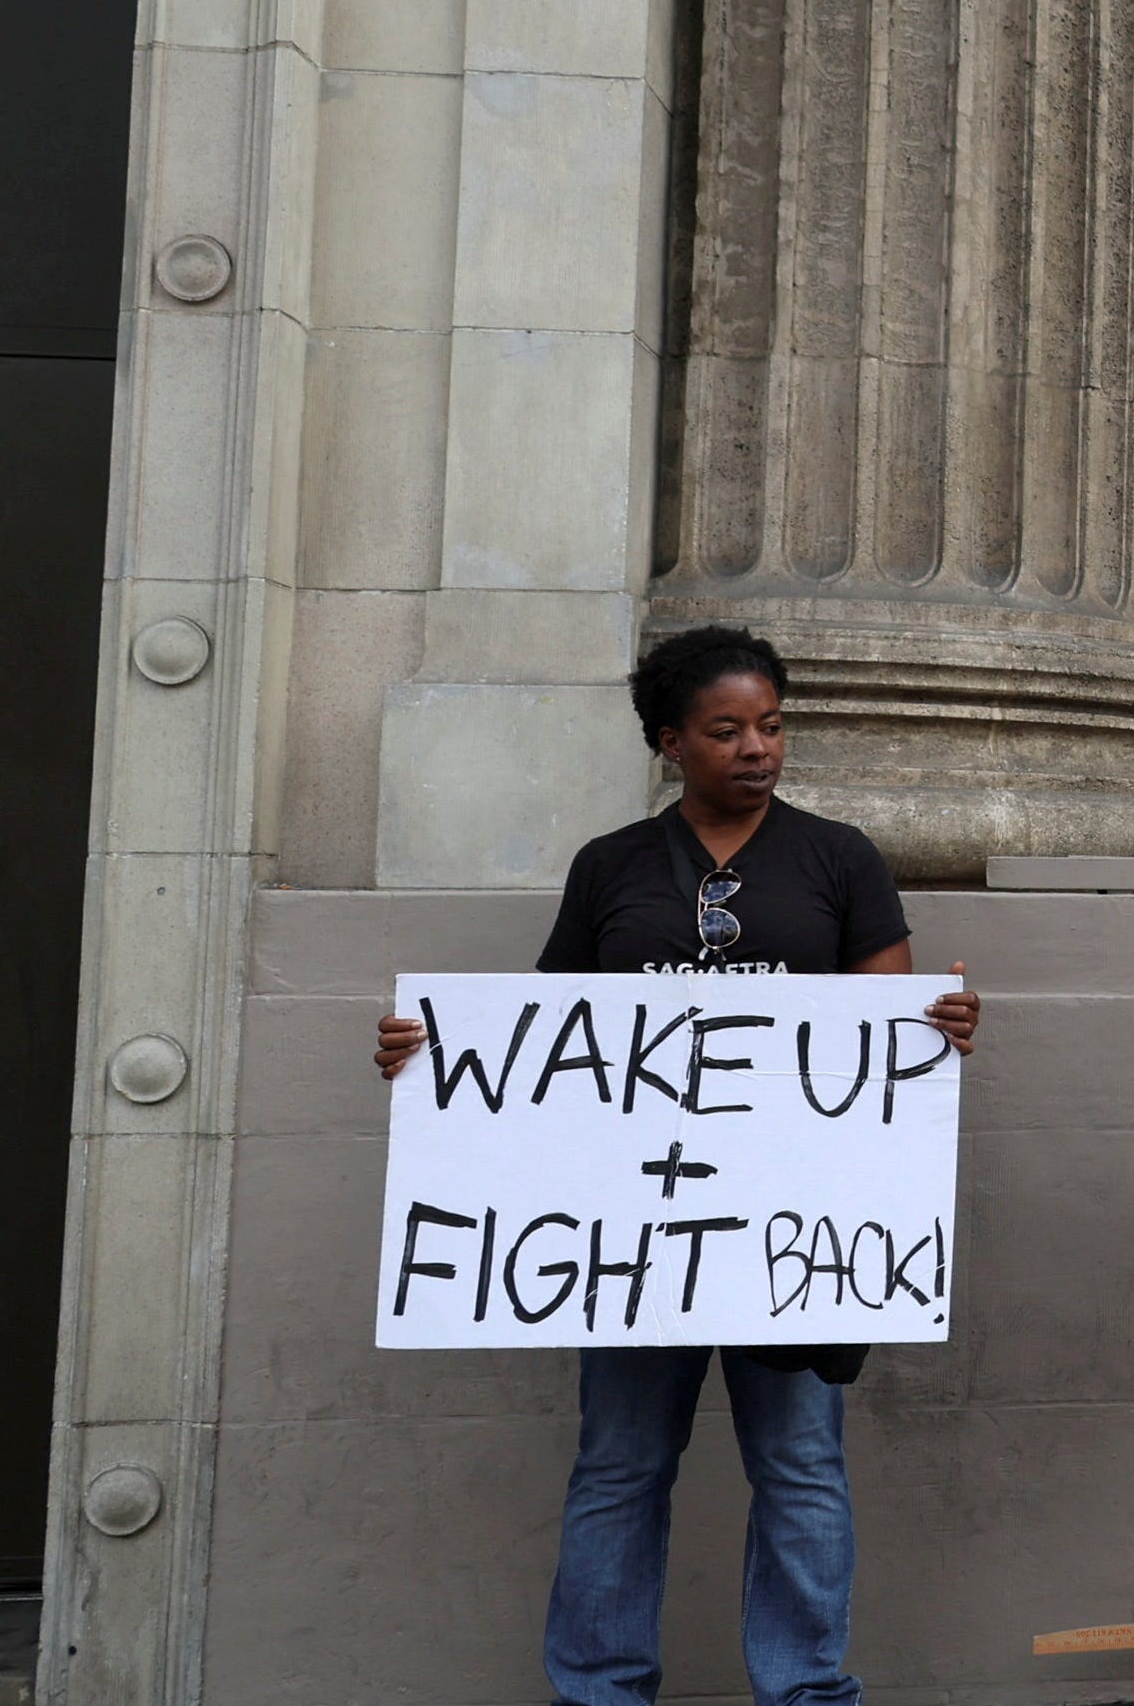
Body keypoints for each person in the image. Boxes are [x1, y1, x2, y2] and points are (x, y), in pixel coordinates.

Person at [373, 624, 982, 1706]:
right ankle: (600, 1690)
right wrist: (433, 1057)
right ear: (670, 743)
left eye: (772, 726)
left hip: (793, 1228)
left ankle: (805, 1691)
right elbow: (547, 1042)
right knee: (620, 1465)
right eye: (727, 729)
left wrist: (935, 1030)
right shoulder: (611, 866)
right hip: (633, 1231)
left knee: (800, 1467)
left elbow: (882, 1037)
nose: (758, 748)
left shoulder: (839, 858)